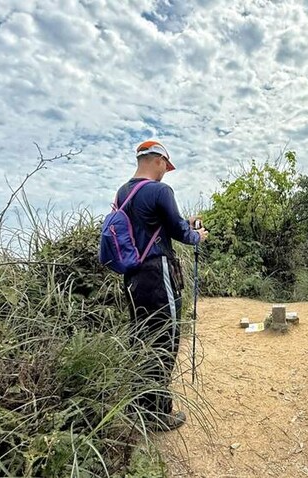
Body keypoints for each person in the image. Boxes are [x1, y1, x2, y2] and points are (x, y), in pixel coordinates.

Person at [115, 140, 207, 431]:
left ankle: (136, 405)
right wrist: (197, 235)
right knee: (164, 340)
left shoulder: (124, 192)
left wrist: (185, 221)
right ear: (158, 160)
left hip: (133, 276)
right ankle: (158, 413)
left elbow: (151, 224)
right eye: (166, 166)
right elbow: (179, 231)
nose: (166, 171)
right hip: (158, 273)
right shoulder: (160, 191)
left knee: (141, 337)